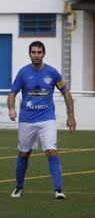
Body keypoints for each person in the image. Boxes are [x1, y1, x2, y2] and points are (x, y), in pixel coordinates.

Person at [7, 41, 76, 199]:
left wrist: (71, 115)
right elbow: (12, 93)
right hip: (26, 120)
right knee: (24, 153)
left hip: (47, 119)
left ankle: (58, 189)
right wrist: (11, 109)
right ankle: (19, 187)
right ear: (29, 53)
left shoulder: (52, 73)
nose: (36, 55)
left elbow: (65, 92)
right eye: (33, 52)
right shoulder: (23, 73)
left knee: (51, 151)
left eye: (39, 52)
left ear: (43, 54)